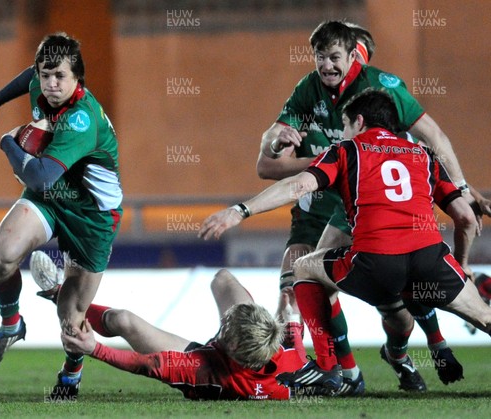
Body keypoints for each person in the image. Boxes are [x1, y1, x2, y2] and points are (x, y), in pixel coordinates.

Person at [200, 88, 491, 390]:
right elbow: (466, 218)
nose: (342, 132)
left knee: (303, 267)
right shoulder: (423, 155)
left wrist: (241, 211)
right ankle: (415, 349)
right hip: (430, 259)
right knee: (484, 315)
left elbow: (298, 186)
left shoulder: (346, 150)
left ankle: (329, 368)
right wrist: (463, 263)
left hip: (375, 263)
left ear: (359, 121)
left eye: (345, 125)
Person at [256, 20, 483, 390]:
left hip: (368, 203)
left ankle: (412, 349)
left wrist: (461, 186)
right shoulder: (307, 92)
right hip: (314, 207)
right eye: (322, 56)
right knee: (295, 286)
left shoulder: (382, 90)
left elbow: (433, 141)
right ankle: (338, 371)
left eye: (343, 55)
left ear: (356, 56)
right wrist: (281, 144)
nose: (330, 65)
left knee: (394, 287)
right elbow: (266, 164)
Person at [0, 33, 123, 401]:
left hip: (91, 215)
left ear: (77, 78)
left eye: (60, 77)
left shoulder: (82, 120)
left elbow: (37, 175)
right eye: (45, 74)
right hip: (51, 197)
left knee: (72, 320)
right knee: (1, 257)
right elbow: (27, 78)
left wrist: (7, 142)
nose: (50, 84)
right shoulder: (41, 81)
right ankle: (11, 324)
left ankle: (71, 371)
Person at [58, 267, 317, 400]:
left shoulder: (202, 371)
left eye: (226, 328)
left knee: (122, 319)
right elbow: (295, 346)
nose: (222, 324)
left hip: (210, 362)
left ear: (233, 347)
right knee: (223, 278)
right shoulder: (292, 365)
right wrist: (291, 315)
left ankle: (59, 295)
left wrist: (94, 348)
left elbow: (146, 364)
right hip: (243, 351)